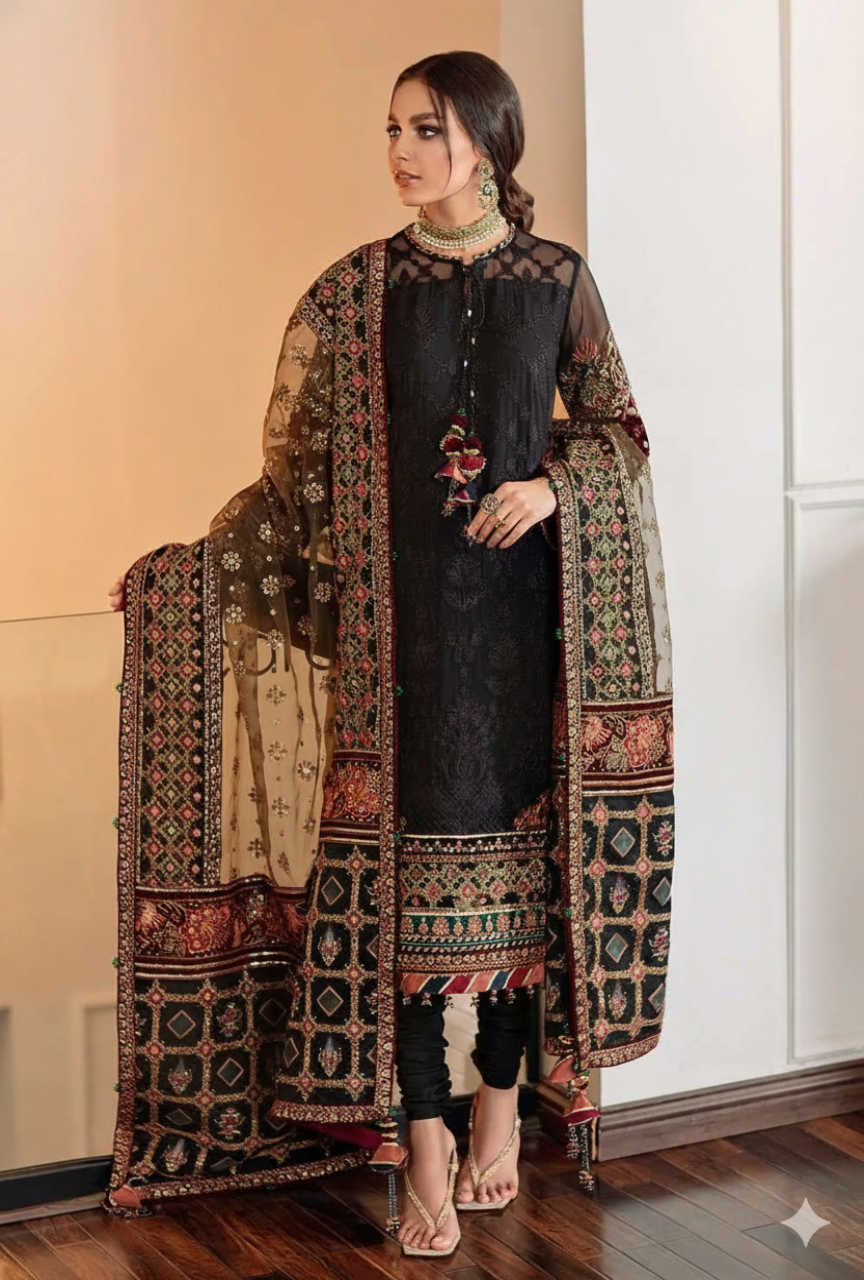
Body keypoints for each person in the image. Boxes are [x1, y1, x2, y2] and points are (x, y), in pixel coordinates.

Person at [107, 50, 674, 1262]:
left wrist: (549, 482)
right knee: (409, 944)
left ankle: (499, 1116)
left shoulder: (557, 279)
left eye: (427, 128)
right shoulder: (351, 293)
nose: (403, 149)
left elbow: (621, 432)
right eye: (394, 129)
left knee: (514, 932)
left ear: (487, 140)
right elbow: (290, 483)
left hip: (524, 652)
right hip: (399, 663)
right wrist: (183, 578)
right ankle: (422, 1151)